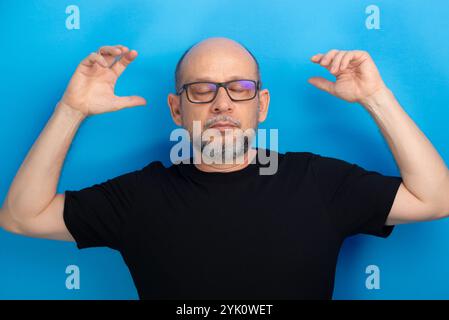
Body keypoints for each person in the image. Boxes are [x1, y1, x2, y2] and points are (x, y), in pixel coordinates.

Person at [1, 37, 448, 299]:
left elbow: (436, 199)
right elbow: (23, 216)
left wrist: (376, 97)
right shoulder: (139, 196)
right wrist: (71, 109)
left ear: (262, 105)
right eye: (201, 90)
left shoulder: (319, 182)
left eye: (240, 88)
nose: (221, 103)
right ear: (176, 110)